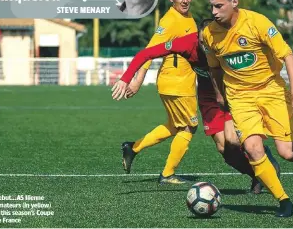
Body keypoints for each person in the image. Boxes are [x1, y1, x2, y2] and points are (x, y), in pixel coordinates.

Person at [113, 18, 281, 194]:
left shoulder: (226, 40)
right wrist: (126, 79)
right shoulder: (187, 44)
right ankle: (256, 175)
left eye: (208, 41)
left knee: (233, 141)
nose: (206, 46)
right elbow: (146, 53)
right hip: (209, 98)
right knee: (225, 150)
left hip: (234, 93)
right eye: (202, 42)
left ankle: (262, 157)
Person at [202, 0, 293, 217]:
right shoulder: (209, 34)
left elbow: (288, 55)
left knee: (286, 152)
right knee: (253, 148)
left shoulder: (258, 23)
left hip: (271, 91)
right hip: (240, 98)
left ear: (234, 2)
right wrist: (220, 94)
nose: (214, 12)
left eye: (219, 6)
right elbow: (215, 68)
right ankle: (283, 201)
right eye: (211, 7)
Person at [113, 0, 198, 184]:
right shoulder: (170, 21)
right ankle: (167, 173)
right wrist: (137, 80)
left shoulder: (188, 16)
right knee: (189, 128)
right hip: (176, 83)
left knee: (174, 126)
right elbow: (149, 51)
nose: (185, 1)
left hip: (180, 82)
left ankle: (132, 148)